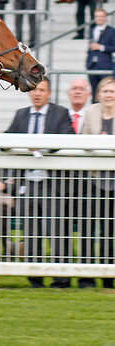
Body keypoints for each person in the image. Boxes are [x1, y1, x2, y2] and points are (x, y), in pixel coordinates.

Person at [1, 77, 73, 288]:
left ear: (49, 93)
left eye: (42, 90)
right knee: (31, 233)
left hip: (52, 184)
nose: (37, 93)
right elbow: (6, 138)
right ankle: (35, 279)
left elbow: (67, 137)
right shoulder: (21, 115)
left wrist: (38, 146)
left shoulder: (60, 113)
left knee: (57, 231)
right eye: (34, 90)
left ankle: (61, 279)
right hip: (28, 184)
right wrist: (22, 147)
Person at [80, 76, 115, 289]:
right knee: (88, 228)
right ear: (98, 94)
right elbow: (84, 141)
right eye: (105, 91)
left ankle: (109, 277)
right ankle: (86, 277)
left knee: (111, 230)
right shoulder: (91, 112)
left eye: (112, 92)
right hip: (94, 179)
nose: (109, 95)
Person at [87, 9, 115, 93]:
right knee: (94, 92)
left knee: (104, 90)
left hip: (105, 65)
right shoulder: (92, 29)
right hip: (92, 65)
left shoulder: (111, 31)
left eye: (101, 16)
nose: (99, 18)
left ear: (105, 17)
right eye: (97, 16)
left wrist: (101, 47)